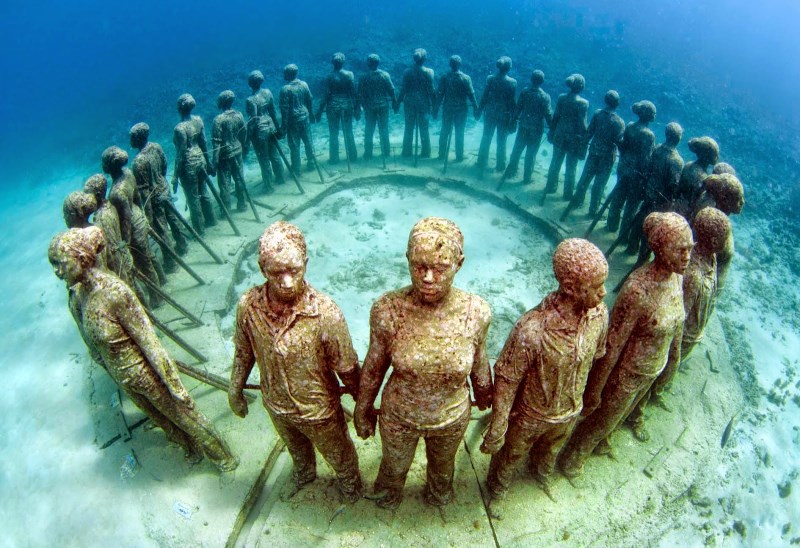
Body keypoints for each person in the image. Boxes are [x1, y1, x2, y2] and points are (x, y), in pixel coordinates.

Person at [49, 226, 238, 472]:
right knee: (161, 419)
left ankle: (223, 456)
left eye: (60, 263)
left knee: (185, 416)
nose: (57, 272)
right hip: (122, 376)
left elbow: (149, 342)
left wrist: (174, 384)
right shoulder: (78, 296)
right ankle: (189, 448)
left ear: (81, 257)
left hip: (145, 374)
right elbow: (93, 346)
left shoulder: (115, 294)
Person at [354, 217, 493, 509]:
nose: (428, 277)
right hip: (398, 416)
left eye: (440, 268)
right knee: (393, 466)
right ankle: (388, 495)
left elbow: (479, 359)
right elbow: (374, 367)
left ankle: (438, 497)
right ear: (407, 259)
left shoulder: (476, 312)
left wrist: (487, 396)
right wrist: (363, 408)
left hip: (451, 417)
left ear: (459, 264)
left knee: (443, 470)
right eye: (419, 266)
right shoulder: (387, 310)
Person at [228, 222, 363, 502]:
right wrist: (235, 389)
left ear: (306, 263)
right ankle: (305, 473)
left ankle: (351, 486)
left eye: (294, 270)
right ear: (262, 268)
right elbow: (243, 352)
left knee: (339, 453)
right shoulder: (248, 307)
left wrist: (362, 404)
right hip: (276, 404)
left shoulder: (326, 314)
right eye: (277, 272)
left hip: (318, 411)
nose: (287, 281)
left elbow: (348, 369)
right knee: (296, 449)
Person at [560, 212, 692, 475]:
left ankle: (601, 444)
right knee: (601, 420)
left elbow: (677, 323)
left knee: (620, 415)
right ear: (661, 248)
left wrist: (671, 361)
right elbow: (613, 345)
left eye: (690, 248)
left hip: (652, 368)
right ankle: (572, 460)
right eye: (681, 249)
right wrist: (595, 389)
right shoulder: (637, 291)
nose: (687, 256)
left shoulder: (677, 278)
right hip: (627, 375)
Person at [481, 239, 608, 501]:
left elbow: (596, 359)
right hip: (531, 415)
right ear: (571, 288)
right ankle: (497, 489)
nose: (604, 292)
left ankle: (542, 474)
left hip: (569, 410)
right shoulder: (532, 330)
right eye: (596, 287)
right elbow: (507, 379)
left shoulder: (599, 316)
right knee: (512, 455)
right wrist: (499, 425)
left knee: (552, 449)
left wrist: (592, 395)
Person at [103, 146, 165, 306]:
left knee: (144, 262)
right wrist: (145, 216)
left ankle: (157, 298)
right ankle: (162, 280)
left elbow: (125, 218)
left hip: (133, 227)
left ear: (108, 166)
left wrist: (126, 240)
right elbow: (137, 198)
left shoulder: (116, 192)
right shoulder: (129, 174)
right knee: (149, 255)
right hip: (140, 217)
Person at [130, 122, 188, 273]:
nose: (130, 140)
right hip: (164, 188)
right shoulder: (156, 146)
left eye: (132, 137)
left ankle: (171, 263)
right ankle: (183, 245)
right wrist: (161, 180)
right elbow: (164, 165)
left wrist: (148, 216)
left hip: (154, 197)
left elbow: (143, 192)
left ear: (137, 138)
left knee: (161, 229)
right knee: (173, 219)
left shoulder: (138, 162)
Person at [627, 122, 685, 265]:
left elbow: (648, 169)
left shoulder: (657, 149)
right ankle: (641, 260)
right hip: (660, 200)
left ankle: (631, 247)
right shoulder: (676, 160)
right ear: (678, 138)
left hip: (649, 193)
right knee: (650, 229)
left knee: (639, 221)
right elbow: (673, 184)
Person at [83, 174, 143, 303]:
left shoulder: (101, 219)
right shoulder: (109, 206)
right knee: (134, 285)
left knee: (131, 289)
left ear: (98, 195)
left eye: (88, 196)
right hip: (123, 253)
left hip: (118, 260)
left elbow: (109, 245)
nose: (86, 200)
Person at [680, 207, 731, 360]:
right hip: (684, 337)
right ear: (715, 241)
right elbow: (681, 316)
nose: (729, 242)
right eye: (726, 237)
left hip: (692, 333)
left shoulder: (712, 258)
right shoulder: (694, 275)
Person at [565, 90, 624, 216]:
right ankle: (593, 210)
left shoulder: (598, 114)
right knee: (599, 184)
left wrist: (582, 148)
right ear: (617, 104)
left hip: (594, 152)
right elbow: (620, 143)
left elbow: (589, 133)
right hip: (607, 157)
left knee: (585, 179)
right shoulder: (619, 122)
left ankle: (576, 202)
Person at [606, 101, 656, 244]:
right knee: (631, 206)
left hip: (624, 167)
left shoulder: (629, 126)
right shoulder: (648, 135)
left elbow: (624, 146)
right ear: (648, 115)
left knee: (618, 198)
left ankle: (611, 225)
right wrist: (646, 176)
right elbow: (646, 159)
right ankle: (622, 237)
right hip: (636, 173)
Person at [172, 93, 216, 235]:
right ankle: (211, 220)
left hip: (189, 165)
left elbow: (181, 153)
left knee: (193, 198)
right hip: (200, 160)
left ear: (180, 108)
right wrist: (208, 161)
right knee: (204, 191)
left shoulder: (180, 128)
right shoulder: (198, 120)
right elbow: (204, 142)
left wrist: (175, 175)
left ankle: (199, 230)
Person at [693, 172, 744, 292]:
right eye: (739, 198)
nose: (743, 202)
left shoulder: (712, 216)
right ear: (725, 199)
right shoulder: (713, 223)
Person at [503, 70, 552, 184]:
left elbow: (518, 108)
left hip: (523, 126)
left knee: (517, 149)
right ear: (542, 81)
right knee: (531, 154)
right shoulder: (545, 97)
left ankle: (511, 171)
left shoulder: (525, 92)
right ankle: (527, 178)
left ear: (531, 79)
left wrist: (513, 121)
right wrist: (552, 129)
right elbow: (548, 115)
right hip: (536, 129)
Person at [544, 74, 589, 201]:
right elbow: (582, 123)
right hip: (573, 139)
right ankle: (567, 194)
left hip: (560, 134)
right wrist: (585, 140)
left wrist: (551, 132)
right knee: (571, 167)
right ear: (581, 86)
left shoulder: (561, 98)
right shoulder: (583, 103)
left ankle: (550, 186)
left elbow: (556, 117)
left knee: (555, 162)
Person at [245, 70, 284, 192]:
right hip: (270, 126)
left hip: (260, 132)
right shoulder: (268, 92)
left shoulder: (250, 100)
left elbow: (253, 121)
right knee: (275, 155)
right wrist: (278, 128)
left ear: (250, 83)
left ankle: (269, 186)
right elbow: (273, 112)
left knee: (264, 158)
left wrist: (247, 140)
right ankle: (280, 178)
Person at [316, 52, 358, 165]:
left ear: (332, 63)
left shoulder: (329, 76)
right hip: (347, 106)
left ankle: (334, 158)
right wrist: (357, 108)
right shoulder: (349, 74)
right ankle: (353, 156)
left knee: (333, 133)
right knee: (348, 131)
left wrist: (319, 111)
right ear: (343, 62)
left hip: (333, 107)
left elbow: (325, 95)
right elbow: (353, 93)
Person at [434, 55, 478, 163]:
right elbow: (471, 95)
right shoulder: (466, 78)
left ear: (450, 64)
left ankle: (441, 154)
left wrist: (435, 109)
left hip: (448, 109)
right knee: (459, 133)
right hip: (461, 110)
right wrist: (476, 108)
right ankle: (459, 157)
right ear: (460, 64)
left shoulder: (445, 77)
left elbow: (439, 95)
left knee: (445, 131)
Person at [476, 56, 516, 173]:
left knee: (486, 137)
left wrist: (479, 110)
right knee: (501, 140)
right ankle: (500, 165)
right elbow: (511, 102)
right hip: (503, 115)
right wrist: (514, 119)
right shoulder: (512, 82)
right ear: (508, 68)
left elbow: (484, 96)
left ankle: (482, 160)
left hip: (489, 113)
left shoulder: (490, 79)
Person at [211, 90, 247, 212]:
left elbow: (216, 143)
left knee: (225, 183)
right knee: (239, 178)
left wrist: (214, 163)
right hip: (237, 150)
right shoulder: (239, 115)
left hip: (224, 155)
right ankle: (243, 205)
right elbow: (243, 133)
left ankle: (226, 211)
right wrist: (243, 147)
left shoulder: (218, 120)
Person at [396, 48, 435, 158]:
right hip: (424, 104)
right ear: (424, 59)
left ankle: (407, 152)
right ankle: (426, 152)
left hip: (409, 103)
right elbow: (431, 90)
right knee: (424, 129)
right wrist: (435, 105)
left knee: (409, 128)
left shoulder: (407, 72)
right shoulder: (429, 72)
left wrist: (398, 103)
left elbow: (403, 89)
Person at [357, 54, 397, 161]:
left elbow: (359, 94)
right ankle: (386, 151)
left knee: (369, 129)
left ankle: (368, 153)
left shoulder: (364, 77)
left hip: (370, 107)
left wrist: (359, 106)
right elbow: (391, 90)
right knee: (384, 129)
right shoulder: (385, 75)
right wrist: (394, 102)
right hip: (383, 105)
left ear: (368, 63)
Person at [279, 64, 316, 177]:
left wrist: (283, 127)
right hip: (304, 116)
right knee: (308, 140)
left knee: (294, 145)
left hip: (293, 120)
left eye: (285, 73)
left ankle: (297, 168)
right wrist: (311, 114)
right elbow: (309, 100)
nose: (284, 75)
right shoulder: (304, 84)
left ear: (289, 74)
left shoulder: (285, 89)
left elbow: (284, 110)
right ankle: (312, 162)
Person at [674, 136, 720, 217]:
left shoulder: (688, 165)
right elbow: (697, 202)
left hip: (677, 206)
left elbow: (679, 189)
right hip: (687, 214)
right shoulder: (704, 178)